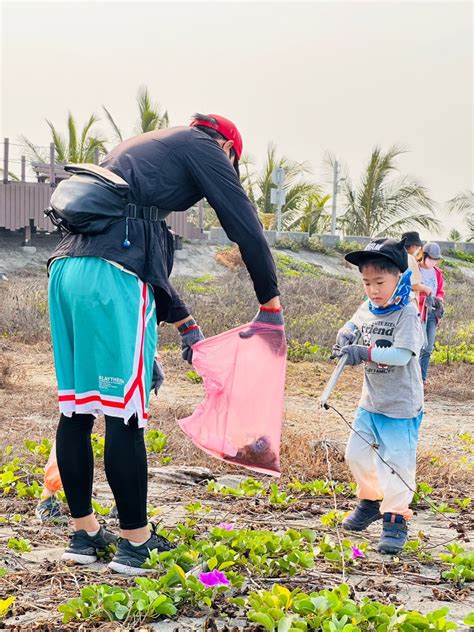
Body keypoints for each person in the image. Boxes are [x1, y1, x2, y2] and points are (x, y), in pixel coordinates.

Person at [47, 113, 283, 575]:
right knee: (123, 413)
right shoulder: (206, 147)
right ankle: (136, 542)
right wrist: (269, 301)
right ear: (230, 149)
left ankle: (85, 533)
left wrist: (184, 321)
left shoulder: (140, 151)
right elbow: (244, 224)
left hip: (65, 272)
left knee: (75, 410)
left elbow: (137, 243)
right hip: (112, 280)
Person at [332, 238, 424, 554]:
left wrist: (365, 352)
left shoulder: (406, 314)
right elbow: (355, 322)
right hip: (370, 402)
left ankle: (395, 519)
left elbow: (401, 355)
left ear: (399, 277)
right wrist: (345, 335)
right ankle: (370, 501)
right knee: (355, 454)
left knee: (396, 464)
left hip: (401, 406)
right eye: (367, 283)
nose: (373, 290)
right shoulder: (369, 307)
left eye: (380, 282)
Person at [418, 242, 445, 383]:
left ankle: (422, 378)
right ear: (424, 256)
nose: (433, 262)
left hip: (433, 313)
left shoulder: (437, 272)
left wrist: (438, 299)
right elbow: (413, 290)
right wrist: (424, 297)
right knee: (421, 345)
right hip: (420, 311)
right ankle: (414, 378)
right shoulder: (416, 270)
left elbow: (440, 290)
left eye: (435, 259)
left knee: (428, 348)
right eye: (431, 258)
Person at [401, 231, 424, 309]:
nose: (418, 250)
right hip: (408, 301)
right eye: (418, 247)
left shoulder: (399, 257)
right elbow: (413, 285)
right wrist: (426, 289)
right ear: (413, 246)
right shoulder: (409, 258)